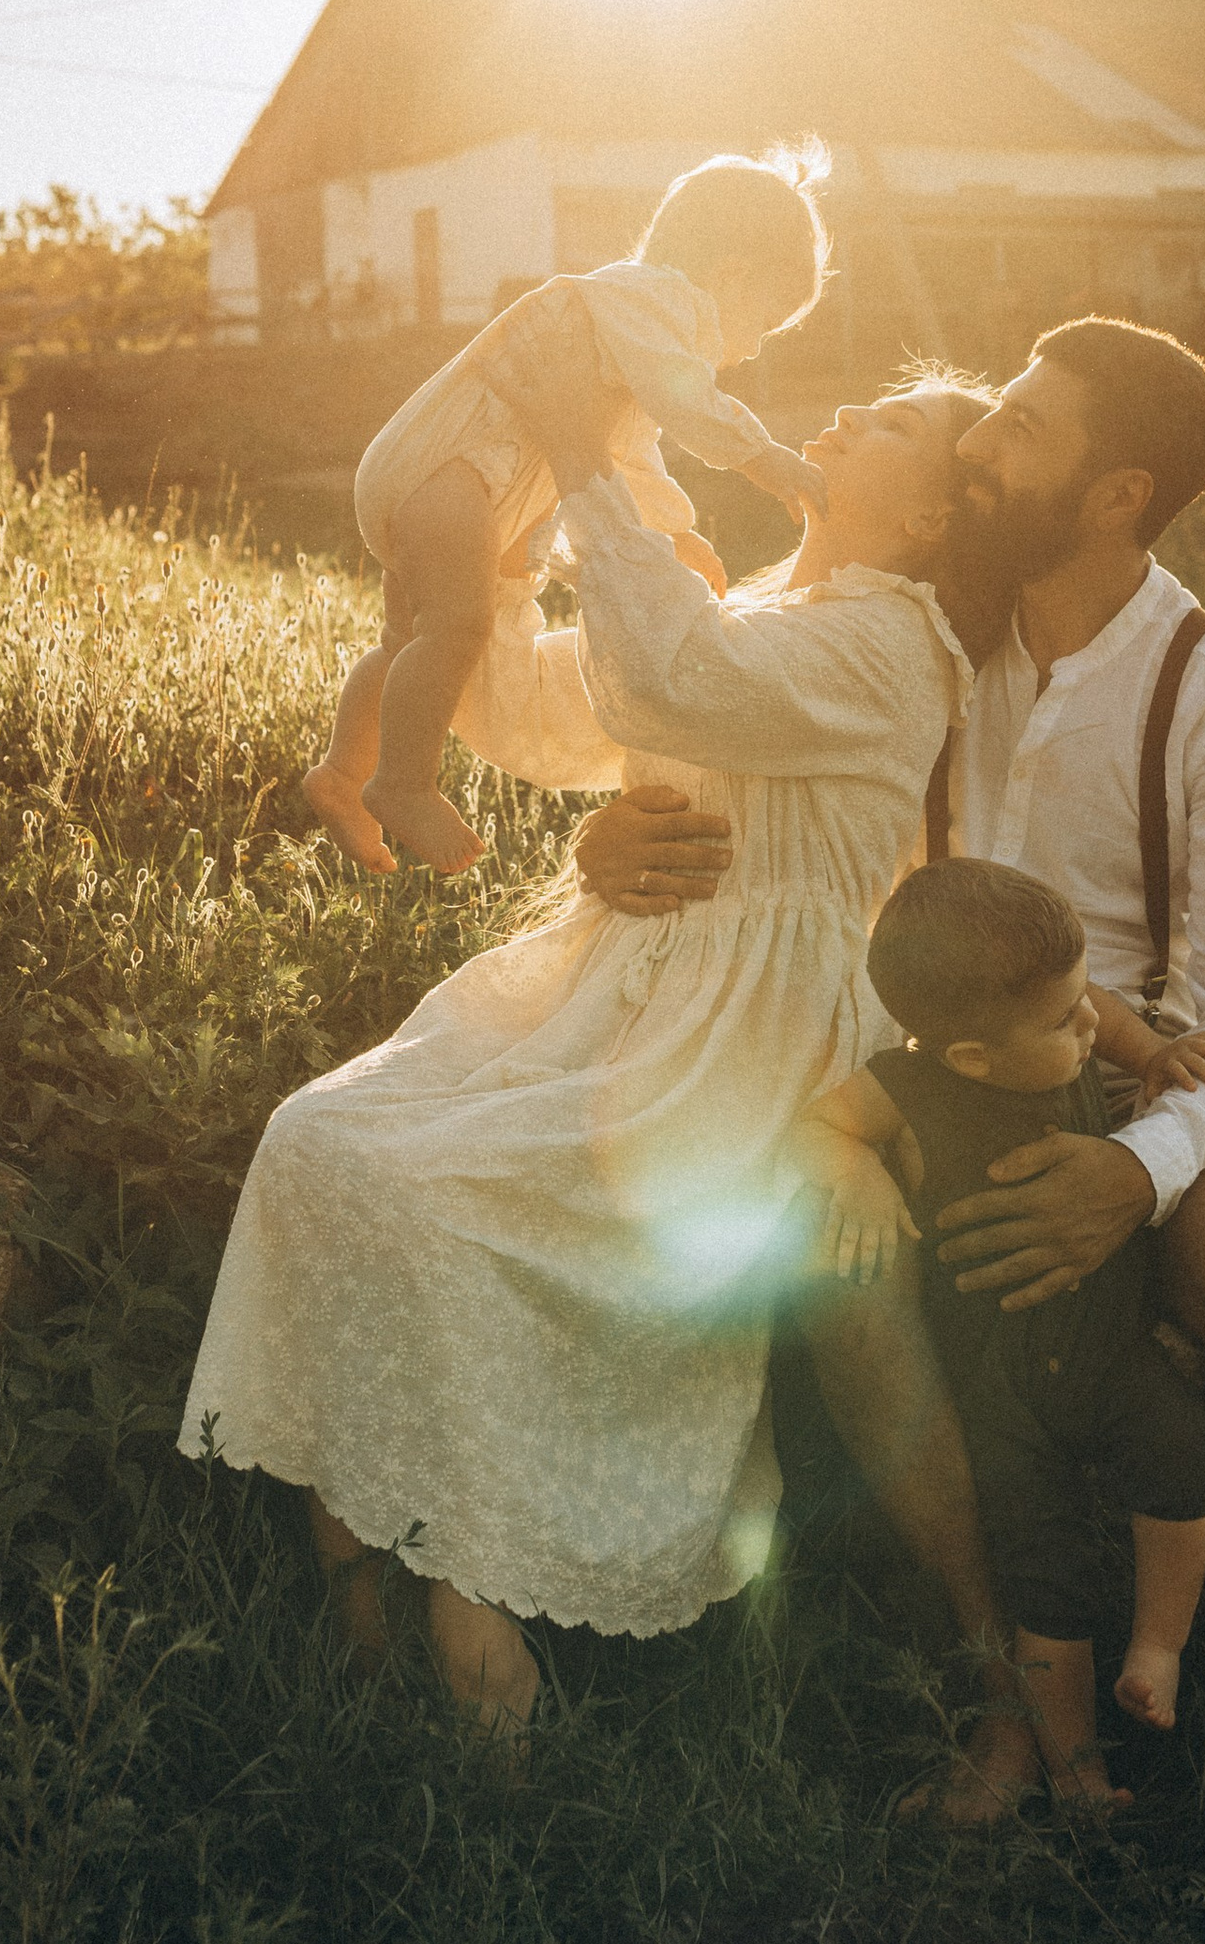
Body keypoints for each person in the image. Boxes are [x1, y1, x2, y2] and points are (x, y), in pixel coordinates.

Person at [182, 326, 1017, 1742]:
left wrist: (584, 454)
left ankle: (469, 1587)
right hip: (626, 984)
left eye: (893, 424)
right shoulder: (754, 599)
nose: (848, 409)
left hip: (745, 1042)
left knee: (441, 1200)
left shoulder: (894, 643)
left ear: (933, 518)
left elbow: (676, 679)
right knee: (323, 1140)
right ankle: (367, 1582)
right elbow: (544, 714)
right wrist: (490, 559)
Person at [576, 318, 1205, 1622]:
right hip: (902, 1038)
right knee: (829, 1240)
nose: (979, 444)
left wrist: (1137, 1168)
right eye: (996, 412)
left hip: (1128, 1062)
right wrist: (612, 836)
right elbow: (727, 720)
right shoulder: (917, 618)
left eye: (1023, 429)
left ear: (1116, 496)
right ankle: (939, 1608)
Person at [794, 860, 1205, 1807]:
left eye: (1086, 1003)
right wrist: (855, 1167)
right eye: (1067, 1021)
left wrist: (1155, 1055)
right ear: (972, 1060)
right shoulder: (909, 1088)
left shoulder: (1062, 1034)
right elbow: (815, 1125)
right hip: (1003, 1390)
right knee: (1043, 1575)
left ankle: (1159, 1647)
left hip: (1108, 1351)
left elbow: (1104, 1010)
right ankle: (1075, 1769)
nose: (1092, 1027)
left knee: (1184, 1458)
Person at [305, 153, 834, 876]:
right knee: (460, 626)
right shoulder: (652, 299)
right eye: (766, 324)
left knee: (410, 640)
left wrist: (672, 532)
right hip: (449, 470)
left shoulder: (627, 321)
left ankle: (342, 773)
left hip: (448, 480)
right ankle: (403, 782)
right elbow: (686, 401)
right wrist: (763, 457)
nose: (751, 350)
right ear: (731, 277)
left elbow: (627, 452)